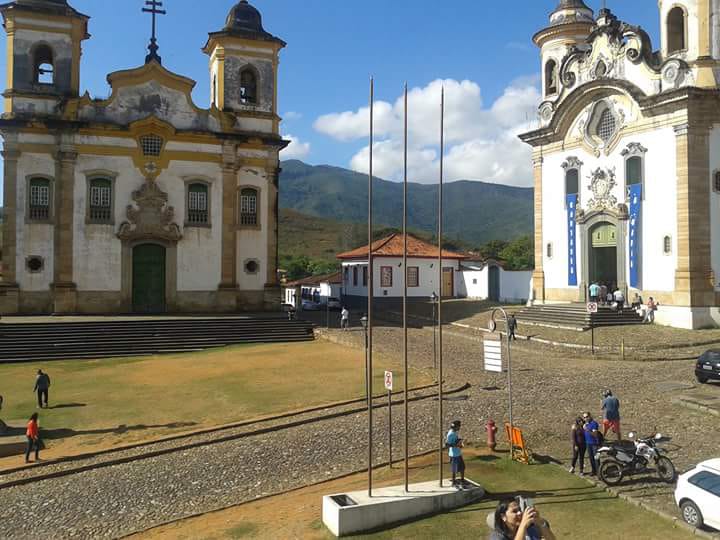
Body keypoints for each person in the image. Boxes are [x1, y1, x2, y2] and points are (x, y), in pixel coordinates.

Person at [490, 498, 556, 540]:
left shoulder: (530, 528)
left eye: (519, 510)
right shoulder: (497, 537)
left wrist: (540, 522)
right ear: (503, 517)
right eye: (514, 511)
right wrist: (523, 525)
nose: (519, 513)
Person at [446, 420, 465, 488]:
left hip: (458, 453)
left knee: (462, 467)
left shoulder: (455, 432)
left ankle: (462, 480)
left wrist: (460, 441)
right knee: (454, 469)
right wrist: (457, 445)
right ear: (456, 427)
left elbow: (455, 440)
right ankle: (453, 482)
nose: (459, 427)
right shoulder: (451, 434)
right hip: (454, 454)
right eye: (459, 426)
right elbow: (447, 445)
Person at [583, 412, 601, 476]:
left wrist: (587, 429)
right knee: (591, 458)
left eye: (587, 417)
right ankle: (594, 471)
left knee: (596, 458)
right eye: (584, 417)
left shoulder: (594, 423)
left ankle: (599, 472)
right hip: (588, 443)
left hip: (594, 444)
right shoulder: (586, 424)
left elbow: (595, 434)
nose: (585, 418)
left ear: (590, 416)